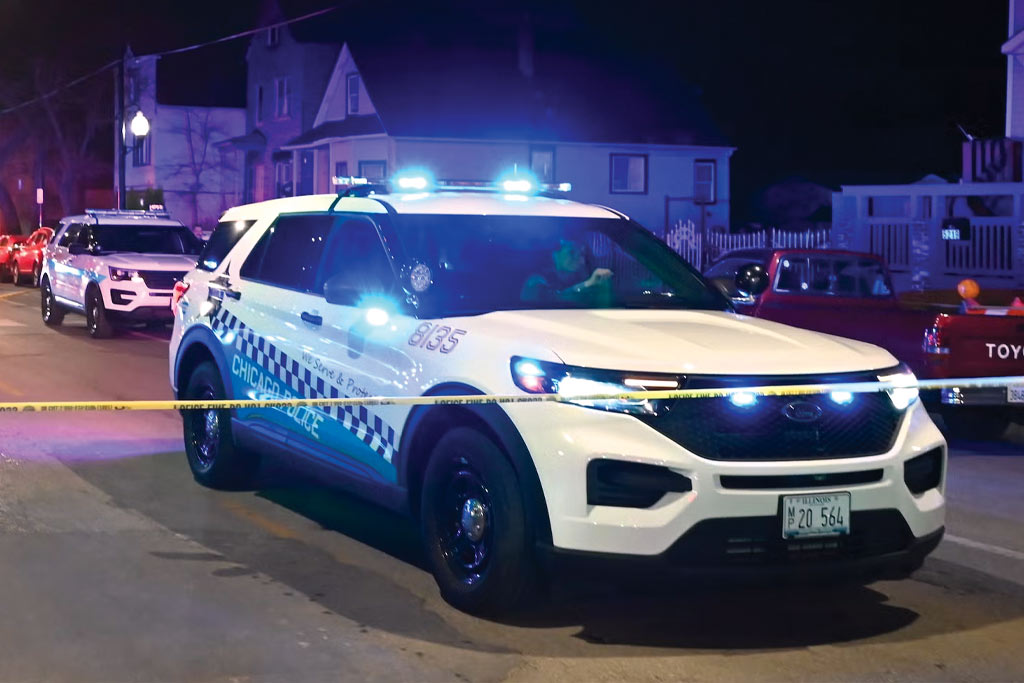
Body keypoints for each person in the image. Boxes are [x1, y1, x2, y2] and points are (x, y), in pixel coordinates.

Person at [521, 238, 613, 305]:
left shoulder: (581, 279)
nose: (578, 258)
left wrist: (603, 288)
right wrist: (587, 284)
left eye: (581, 254)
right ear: (555, 255)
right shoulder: (536, 281)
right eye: (571, 252)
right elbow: (553, 302)